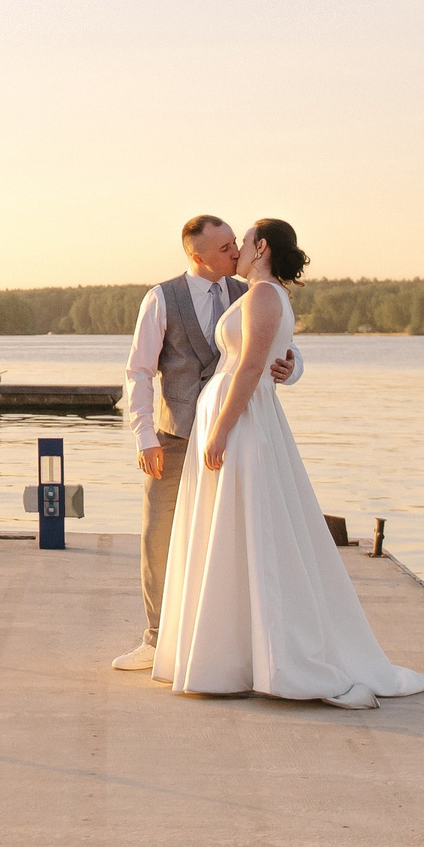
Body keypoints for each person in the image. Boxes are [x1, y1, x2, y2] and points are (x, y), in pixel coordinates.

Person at [153, 218, 424, 708]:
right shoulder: (256, 295)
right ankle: (231, 654)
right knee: (230, 533)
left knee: (248, 530)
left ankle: (260, 658)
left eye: (242, 243)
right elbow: (269, 357)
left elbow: (249, 366)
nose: (236, 250)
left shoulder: (263, 297)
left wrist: (220, 428)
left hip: (242, 423)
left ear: (261, 247)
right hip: (236, 417)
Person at [112, 215, 299, 672]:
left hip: (232, 434)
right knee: (160, 536)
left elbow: (280, 351)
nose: (235, 253)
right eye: (224, 249)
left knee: (225, 538)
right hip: (175, 435)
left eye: (236, 244)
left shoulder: (252, 292)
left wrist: (291, 369)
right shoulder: (160, 299)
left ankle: (223, 641)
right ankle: (157, 640)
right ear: (196, 256)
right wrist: (144, 436)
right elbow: (138, 371)